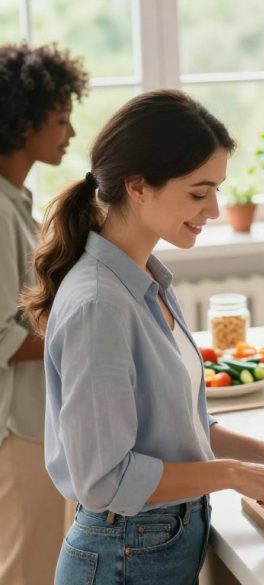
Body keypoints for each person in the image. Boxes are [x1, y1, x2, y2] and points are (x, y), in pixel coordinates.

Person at [21, 89, 264, 585]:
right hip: (122, 556)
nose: (214, 209)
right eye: (198, 192)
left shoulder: (147, 280)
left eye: (216, 189)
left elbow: (178, 428)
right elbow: (105, 480)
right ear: (136, 186)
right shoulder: (98, 305)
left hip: (156, 543)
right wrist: (236, 474)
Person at [0, 41, 87, 585]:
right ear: (23, 122)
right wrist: (78, 331)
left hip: (37, 421)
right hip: (18, 426)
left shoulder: (16, 200)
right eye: (60, 119)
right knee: (26, 571)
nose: (70, 134)